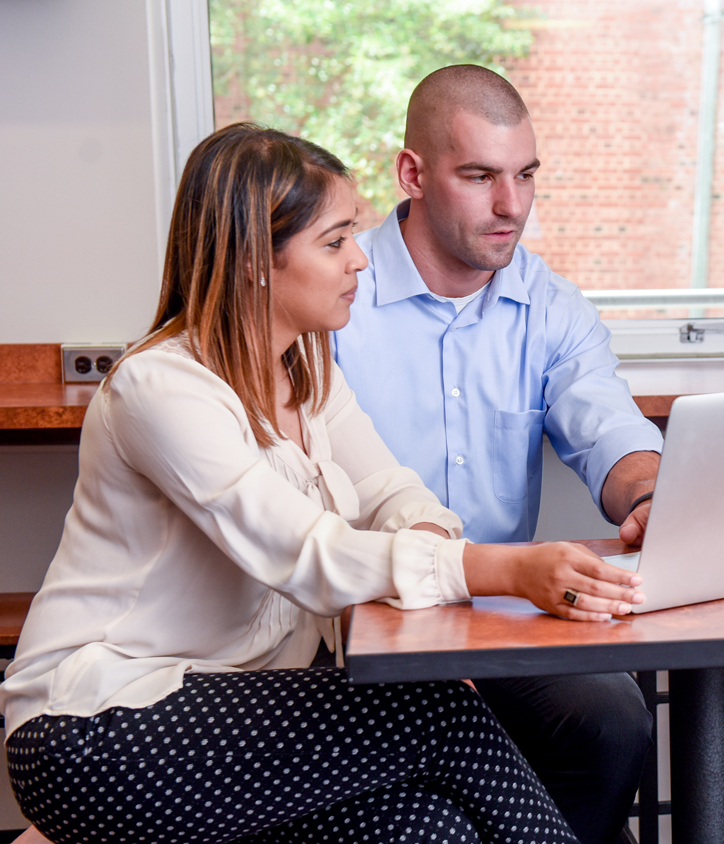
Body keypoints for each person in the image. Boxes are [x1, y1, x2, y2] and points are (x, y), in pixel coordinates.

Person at [0, 123, 645, 844]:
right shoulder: (162, 389)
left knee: (428, 828)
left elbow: (391, 493)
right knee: (439, 710)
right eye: (335, 242)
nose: (361, 261)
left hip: (232, 709)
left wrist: (429, 547)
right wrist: (502, 568)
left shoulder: (307, 374)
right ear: (255, 262)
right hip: (98, 731)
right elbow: (305, 552)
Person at [331, 65, 662, 844]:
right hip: (359, 618)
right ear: (411, 173)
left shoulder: (549, 305)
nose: (512, 206)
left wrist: (650, 496)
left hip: (504, 615)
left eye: (525, 176)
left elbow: (607, 427)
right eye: (479, 177)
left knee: (612, 718)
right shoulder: (338, 298)